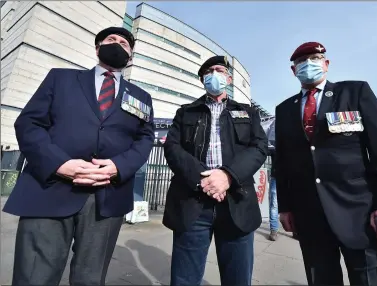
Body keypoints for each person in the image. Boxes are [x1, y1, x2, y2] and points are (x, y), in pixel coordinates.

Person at [3, 27, 155, 285]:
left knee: (90, 278)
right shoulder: (60, 79)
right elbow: (29, 124)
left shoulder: (141, 97)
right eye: (111, 40)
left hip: (107, 196)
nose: (117, 44)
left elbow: (145, 138)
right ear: (97, 48)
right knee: (34, 277)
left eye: (124, 43)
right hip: (49, 189)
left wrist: (118, 167)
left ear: (130, 56)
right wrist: (59, 163)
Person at [274, 42, 377, 286]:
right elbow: (282, 163)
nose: (308, 65)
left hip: (359, 213)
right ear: (293, 71)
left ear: (326, 64)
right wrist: (285, 207)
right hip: (309, 215)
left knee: (368, 279)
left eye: (315, 58)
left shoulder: (355, 93)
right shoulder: (284, 110)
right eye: (301, 62)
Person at [163, 55, 268, 286]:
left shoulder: (248, 113)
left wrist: (227, 175)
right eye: (208, 71)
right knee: (184, 278)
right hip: (193, 203)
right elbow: (172, 148)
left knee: (238, 278)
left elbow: (259, 147)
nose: (214, 75)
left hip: (237, 204)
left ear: (228, 78)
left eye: (219, 70)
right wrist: (205, 181)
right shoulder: (186, 112)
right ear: (202, 79)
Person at [268, 148, 279, 241]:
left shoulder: (274, 147)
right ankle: (274, 230)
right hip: (277, 177)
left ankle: (274, 231)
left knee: (274, 206)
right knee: (274, 205)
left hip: (277, 176)